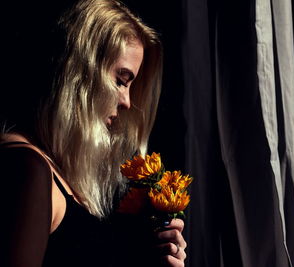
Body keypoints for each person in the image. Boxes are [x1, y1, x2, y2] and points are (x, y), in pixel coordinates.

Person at [0, 0, 187, 266]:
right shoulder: (26, 168)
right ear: (78, 70)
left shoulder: (53, 173)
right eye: (120, 81)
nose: (126, 101)